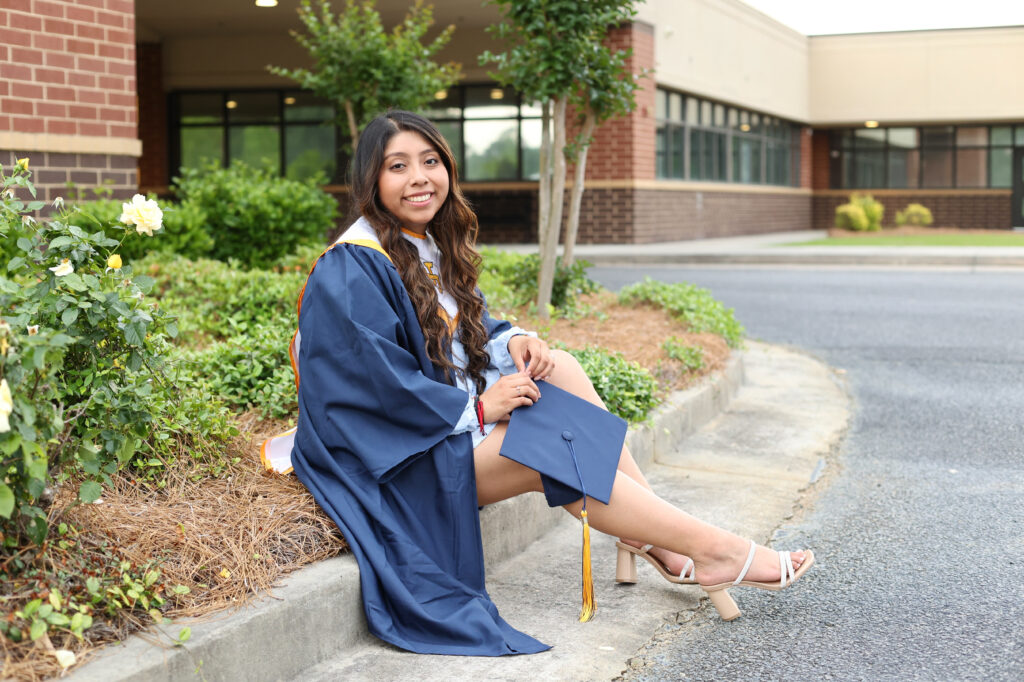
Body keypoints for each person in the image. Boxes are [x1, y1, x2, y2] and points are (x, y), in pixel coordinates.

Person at [286, 110, 813, 656]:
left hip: (440, 430)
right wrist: (484, 408)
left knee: (558, 366)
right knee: (543, 448)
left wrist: (514, 340)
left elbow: (462, 328)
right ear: (370, 180)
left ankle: (657, 538)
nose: (419, 177)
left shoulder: (422, 244)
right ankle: (711, 549)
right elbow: (373, 391)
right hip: (398, 460)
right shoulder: (351, 267)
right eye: (398, 166)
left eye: (431, 161)